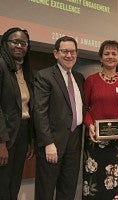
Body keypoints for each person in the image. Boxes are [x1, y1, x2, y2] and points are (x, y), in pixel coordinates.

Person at [82, 40, 118, 200]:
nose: (110, 56)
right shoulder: (91, 80)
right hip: (95, 141)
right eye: (106, 53)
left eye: (114, 54)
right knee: (95, 183)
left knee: (116, 184)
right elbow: (85, 108)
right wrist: (90, 125)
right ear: (100, 58)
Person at [34, 35, 85, 200]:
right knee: (46, 191)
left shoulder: (79, 78)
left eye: (72, 52)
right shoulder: (45, 75)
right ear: (56, 54)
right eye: (65, 51)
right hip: (52, 144)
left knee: (68, 189)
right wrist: (48, 143)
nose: (69, 55)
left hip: (74, 142)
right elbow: (39, 111)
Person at [0, 27, 34, 200]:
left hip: (21, 133)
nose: (19, 46)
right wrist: (1, 143)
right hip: (5, 136)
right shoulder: (1, 65)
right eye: (15, 41)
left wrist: (29, 140)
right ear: (5, 43)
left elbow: (27, 109)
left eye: (23, 43)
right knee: (3, 184)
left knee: (14, 183)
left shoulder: (24, 70)